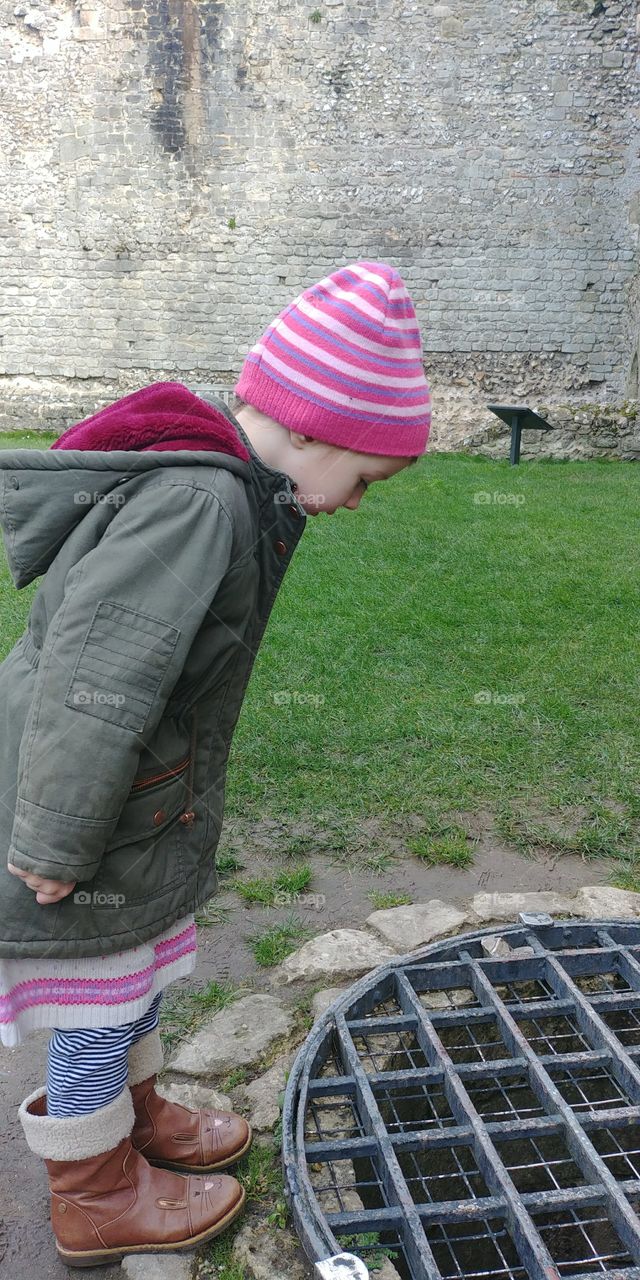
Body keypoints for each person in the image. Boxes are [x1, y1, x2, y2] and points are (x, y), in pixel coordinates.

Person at [0, 261, 431, 1267]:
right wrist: (55, 838)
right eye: (364, 478)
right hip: (85, 814)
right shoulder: (197, 505)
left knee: (133, 975)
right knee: (98, 997)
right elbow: (94, 682)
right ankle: (92, 1190)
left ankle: (133, 1119)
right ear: (318, 429)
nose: (357, 502)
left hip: (133, 806)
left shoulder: (232, 488)